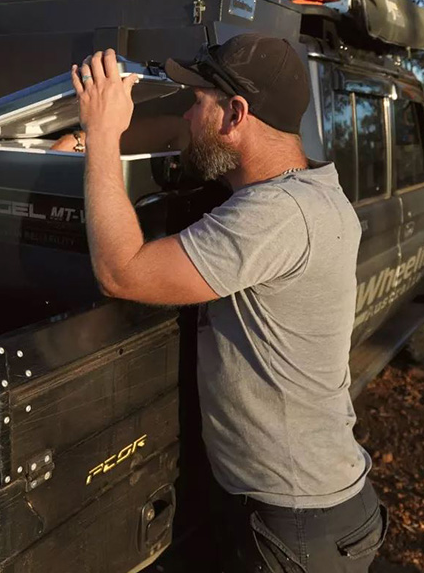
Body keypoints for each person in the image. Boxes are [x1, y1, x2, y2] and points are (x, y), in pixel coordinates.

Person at [70, 35, 387, 572]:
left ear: (235, 114)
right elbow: (177, 135)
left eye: (197, 102)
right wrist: (79, 140)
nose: (187, 116)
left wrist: (101, 137)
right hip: (322, 506)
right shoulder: (314, 189)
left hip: (292, 526)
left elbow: (120, 271)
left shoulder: (275, 214)